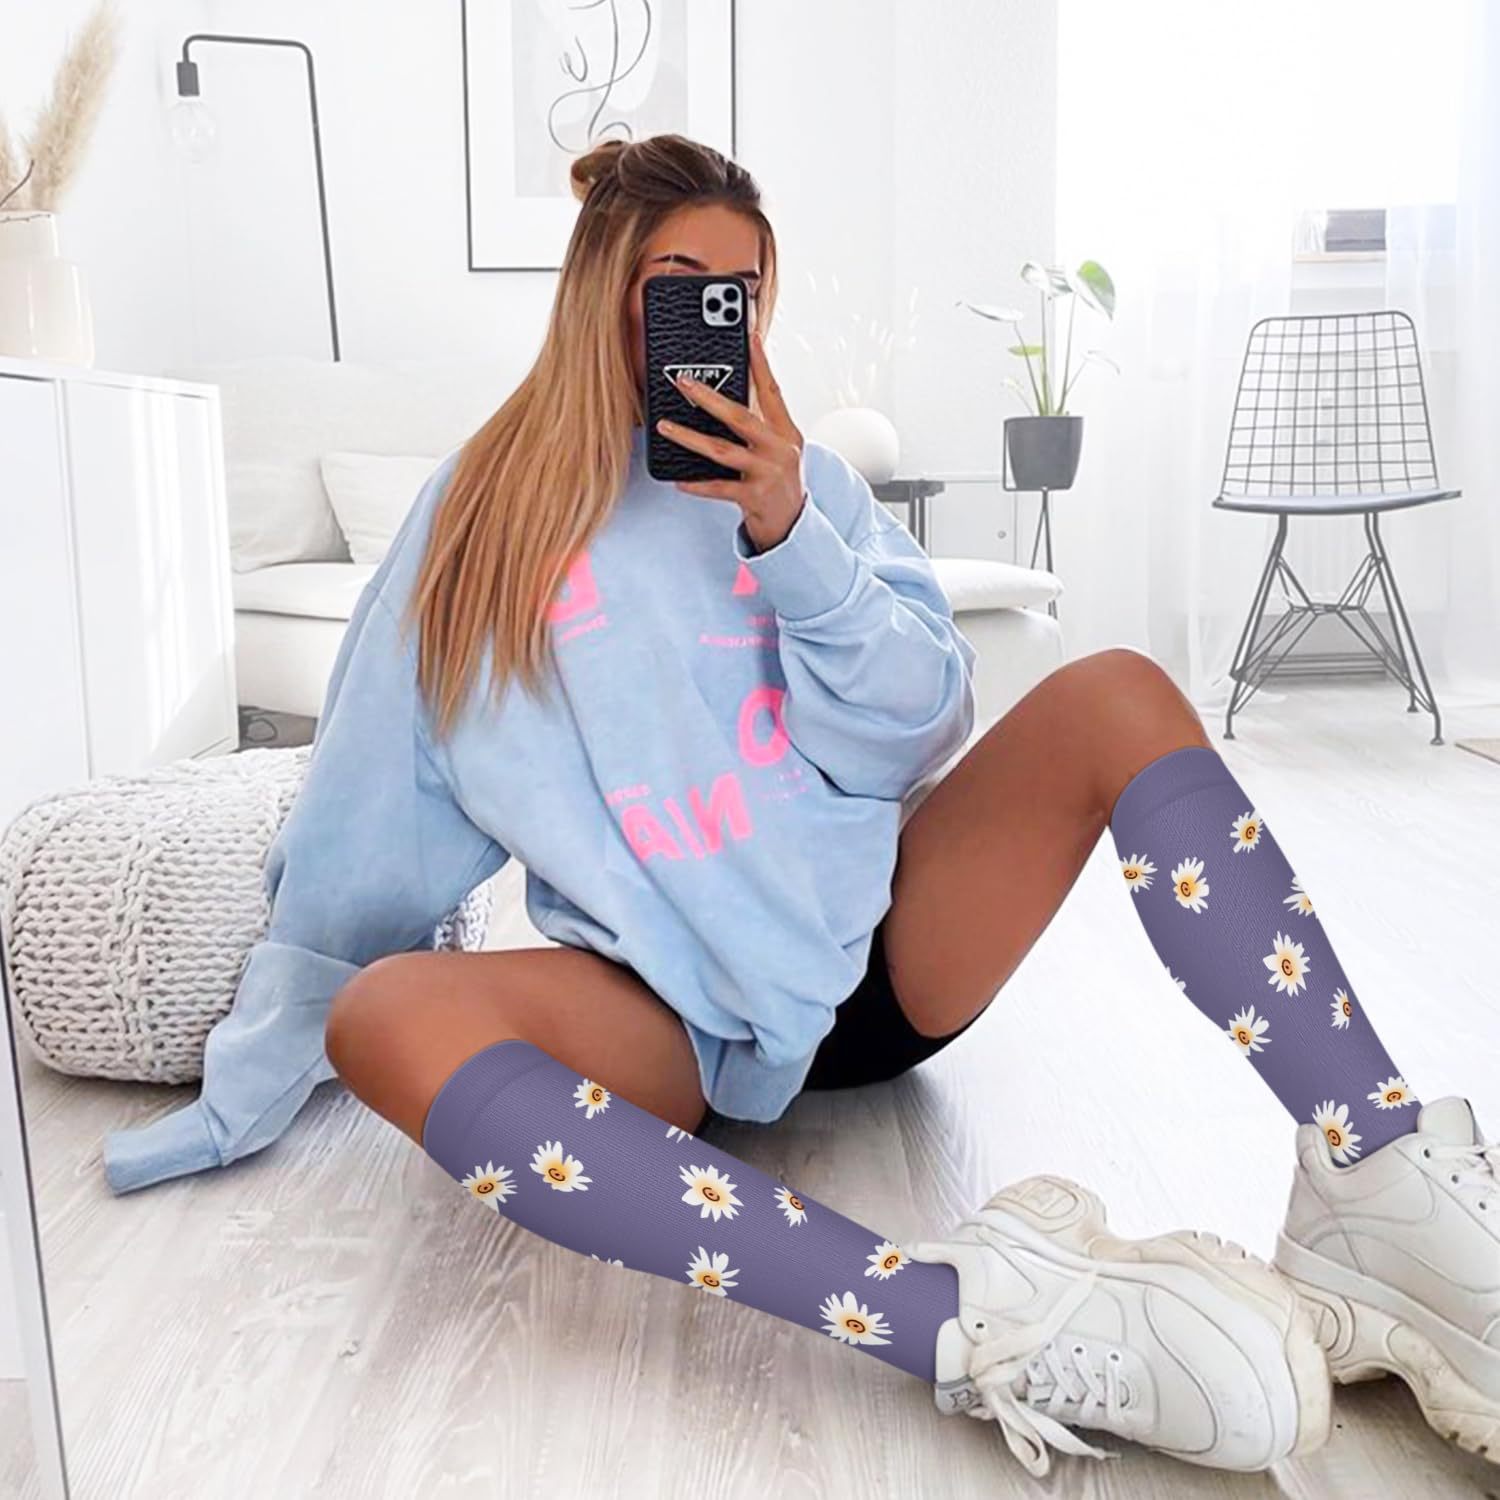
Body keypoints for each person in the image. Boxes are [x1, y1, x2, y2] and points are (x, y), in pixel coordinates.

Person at [103, 134, 1497, 1479]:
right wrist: (260, 1058)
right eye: (681, 289)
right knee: (383, 1017)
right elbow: (369, 805)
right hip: (664, 1020)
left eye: (743, 294)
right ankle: (966, 1321)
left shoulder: (809, 486)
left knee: (1121, 692)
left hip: (881, 950)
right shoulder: (477, 518)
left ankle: (1373, 1176)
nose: (716, 322)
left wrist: (788, 533)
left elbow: (917, 727)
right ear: (601, 289)